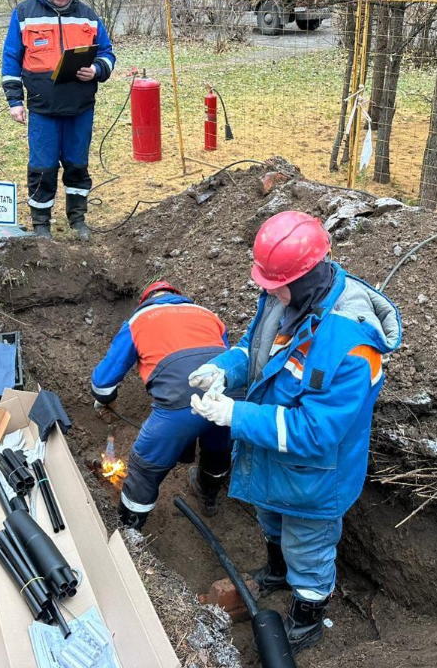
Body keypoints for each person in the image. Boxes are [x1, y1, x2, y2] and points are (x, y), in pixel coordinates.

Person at [188, 211, 402, 653]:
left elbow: (315, 432)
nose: (266, 292)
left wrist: (236, 416)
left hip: (314, 476)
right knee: (270, 519)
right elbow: (256, 350)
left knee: (308, 548)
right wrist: (223, 371)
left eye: (274, 284)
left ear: (304, 278)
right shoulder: (282, 297)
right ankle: (277, 571)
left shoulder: (353, 347)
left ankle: (307, 612)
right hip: (270, 456)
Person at [91, 281, 232, 529]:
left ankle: (129, 529)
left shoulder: (140, 319)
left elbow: (103, 382)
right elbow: (228, 357)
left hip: (178, 404)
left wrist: (105, 401)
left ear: (145, 299)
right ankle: (207, 494)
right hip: (228, 396)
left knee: (144, 468)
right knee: (219, 449)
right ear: (179, 297)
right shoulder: (208, 315)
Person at [1, 0, 116, 241]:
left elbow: (107, 52)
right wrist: (14, 101)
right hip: (43, 110)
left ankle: (77, 219)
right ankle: (42, 225)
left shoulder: (88, 17)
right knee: (43, 167)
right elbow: (11, 59)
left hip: (80, 108)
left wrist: (98, 70)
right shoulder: (25, 14)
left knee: (77, 165)